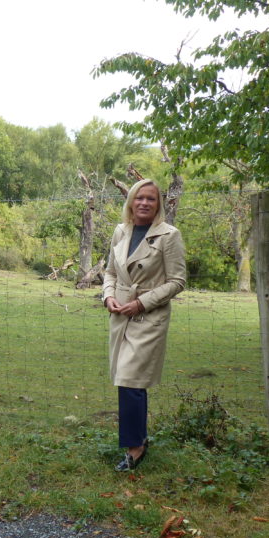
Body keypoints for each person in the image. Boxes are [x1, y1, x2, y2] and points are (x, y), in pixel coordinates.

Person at [103, 179, 186, 471]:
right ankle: (137, 438)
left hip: (148, 316)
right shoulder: (120, 231)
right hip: (120, 314)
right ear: (131, 201)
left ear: (159, 204)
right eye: (140, 198)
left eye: (151, 199)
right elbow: (110, 272)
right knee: (126, 380)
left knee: (131, 379)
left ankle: (135, 447)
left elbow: (177, 281)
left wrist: (142, 303)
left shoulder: (169, 235)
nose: (144, 203)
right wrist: (108, 296)